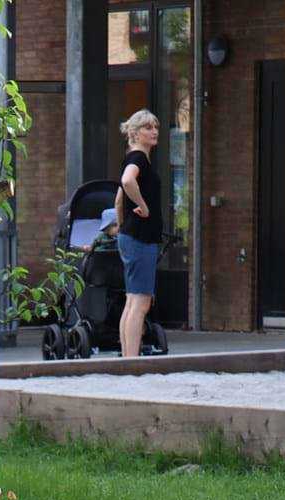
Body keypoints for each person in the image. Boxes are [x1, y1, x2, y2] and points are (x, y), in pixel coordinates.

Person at [115, 109, 164, 359]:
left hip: (131, 236)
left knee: (132, 301)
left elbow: (118, 199)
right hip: (140, 237)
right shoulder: (139, 159)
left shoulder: (134, 157)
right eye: (147, 127)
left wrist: (122, 225)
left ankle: (127, 359)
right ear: (134, 133)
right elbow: (126, 182)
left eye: (155, 126)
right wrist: (144, 207)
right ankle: (132, 362)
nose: (154, 131)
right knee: (141, 303)